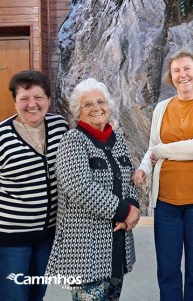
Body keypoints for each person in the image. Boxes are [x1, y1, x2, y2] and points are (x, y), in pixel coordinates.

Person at [132, 50, 193, 301]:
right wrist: (144, 168)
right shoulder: (162, 108)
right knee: (168, 271)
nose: (182, 75)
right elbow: (152, 146)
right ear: (171, 78)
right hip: (166, 204)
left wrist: (162, 151)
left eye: (187, 69)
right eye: (176, 71)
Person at [45, 78, 140, 300]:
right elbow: (79, 186)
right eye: (88, 104)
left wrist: (134, 205)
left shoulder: (117, 139)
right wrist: (125, 212)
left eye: (100, 102)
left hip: (116, 246)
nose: (96, 107)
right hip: (85, 250)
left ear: (108, 106)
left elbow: (129, 178)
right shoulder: (72, 141)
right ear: (79, 111)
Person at [0, 70, 68, 301]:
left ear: (48, 99)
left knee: (38, 293)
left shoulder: (60, 126)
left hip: (47, 235)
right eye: (24, 99)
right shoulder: (2, 137)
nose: (32, 105)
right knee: (14, 295)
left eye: (38, 97)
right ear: (15, 102)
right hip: (11, 238)